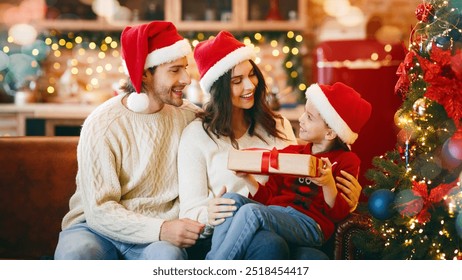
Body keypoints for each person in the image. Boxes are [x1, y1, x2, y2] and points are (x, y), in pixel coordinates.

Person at [178, 31, 363, 260]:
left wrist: (345, 197)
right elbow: (189, 211)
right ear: (219, 90)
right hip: (229, 230)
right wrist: (210, 212)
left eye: (252, 75)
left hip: (279, 223)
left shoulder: (277, 125)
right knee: (234, 203)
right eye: (237, 81)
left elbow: (302, 192)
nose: (249, 86)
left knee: (275, 243)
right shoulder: (196, 135)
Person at [54, 21, 205, 260]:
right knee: (77, 253)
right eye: (175, 70)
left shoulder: (189, 117)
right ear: (144, 73)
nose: (187, 78)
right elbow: (99, 210)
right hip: (96, 229)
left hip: (158, 234)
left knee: (169, 259)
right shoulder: (103, 124)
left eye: (185, 68)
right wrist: (161, 229)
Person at [204, 82, 372, 260]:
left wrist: (327, 183)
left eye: (309, 117)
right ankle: (215, 259)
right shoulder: (292, 153)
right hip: (278, 213)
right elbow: (268, 197)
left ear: (330, 132)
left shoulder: (346, 161)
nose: (301, 119)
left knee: (251, 212)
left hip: (310, 225)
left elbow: (338, 213)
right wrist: (248, 178)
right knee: (229, 200)